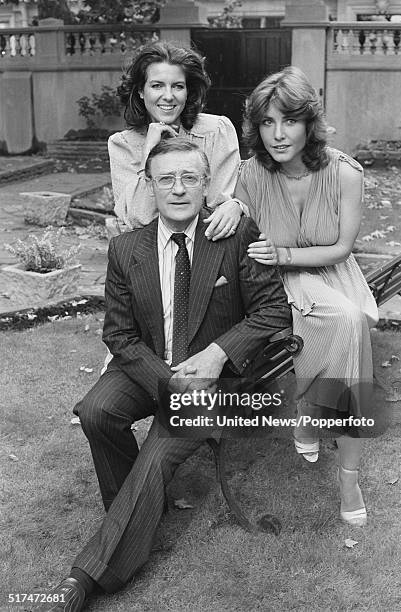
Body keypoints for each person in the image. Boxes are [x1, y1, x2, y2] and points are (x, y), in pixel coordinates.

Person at [37, 139, 290, 612]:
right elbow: (120, 335)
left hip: (214, 379)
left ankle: (84, 578)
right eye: (166, 179)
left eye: (189, 178)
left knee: (155, 457)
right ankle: (135, 513)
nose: (178, 189)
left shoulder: (235, 235)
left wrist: (217, 356)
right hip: (149, 366)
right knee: (96, 411)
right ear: (149, 186)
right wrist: (167, 380)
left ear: (205, 184)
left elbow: (274, 311)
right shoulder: (125, 249)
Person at [235, 66, 378, 528]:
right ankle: (338, 457)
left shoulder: (344, 172)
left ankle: (326, 438)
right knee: (350, 325)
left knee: (349, 319)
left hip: (334, 275)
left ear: (308, 123)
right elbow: (241, 246)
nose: (278, 134)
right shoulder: (250, 176)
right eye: (267, 123)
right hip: (279, 284)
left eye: (289, 121)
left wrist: (283, 251)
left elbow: (341, 248)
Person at [108, 40, 243, 240]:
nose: (168, 96)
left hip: (207, 246)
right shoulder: (123, 145)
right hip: (150, 253)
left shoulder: (217, 131)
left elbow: (219, 209)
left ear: (188, 92)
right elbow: (137, 219)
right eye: (157, 86)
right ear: (140, 92)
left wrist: (236, 206)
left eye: (178, 86)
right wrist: (149, 153)